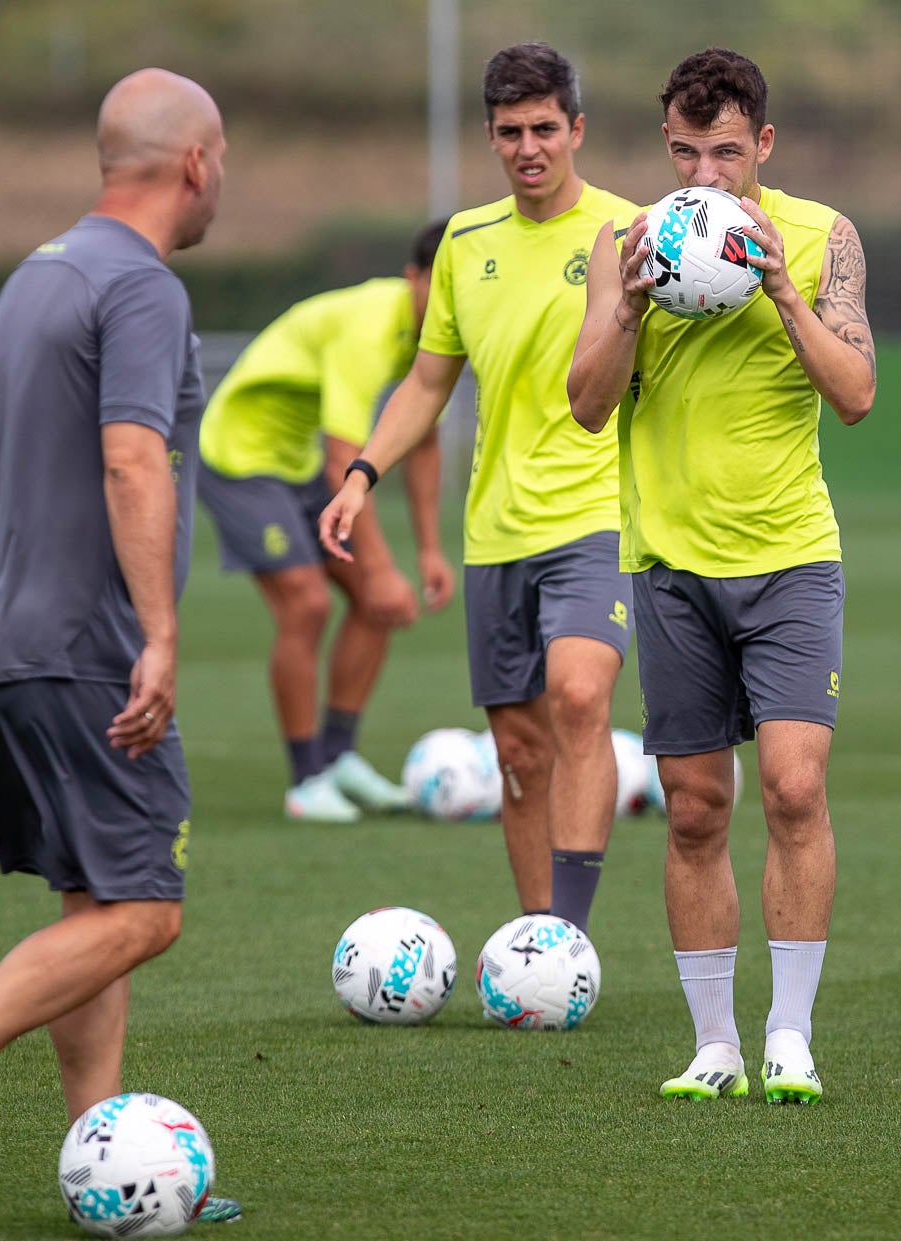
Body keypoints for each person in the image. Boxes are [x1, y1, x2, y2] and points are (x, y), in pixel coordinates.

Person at [0, 68, 243, 1230]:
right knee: (147, 911)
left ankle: (102, 1171)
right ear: (196, 163)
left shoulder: (34, 274)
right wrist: (161, 635)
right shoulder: (143, 286)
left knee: (96, 900)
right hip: (86, 644)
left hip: (4, 634)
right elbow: (133, 459)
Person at [567, 48, 876, 1105]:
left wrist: (780, 287)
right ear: (666, 146)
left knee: (792, 786)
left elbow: (856, 393)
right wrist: (628, 311)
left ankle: (788, 1034)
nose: (707, 173)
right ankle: (714, 1044)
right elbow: (586, 405)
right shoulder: (626, 245)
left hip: (789, 553)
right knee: (694, 807)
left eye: (728, 153)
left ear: (764, 146)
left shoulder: (822, 236)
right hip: (669, 564)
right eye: (688, 152)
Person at [319, 43, 640, 933]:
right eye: (511, 132)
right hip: (496, 530)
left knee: (580, 696)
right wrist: (359, 476)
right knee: (518, 750)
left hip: (598, 518)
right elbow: (427, 383)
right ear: (492, 138)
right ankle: (538, 932)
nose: (530, 146)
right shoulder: (464, 242)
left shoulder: (633, 230)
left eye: (545, 128)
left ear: (577, 129)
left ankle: (567, 938)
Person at [196, 223, 456, 822]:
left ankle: (339, 758)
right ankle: (305, 780)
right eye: (436, 285)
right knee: (308, 604)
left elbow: (420, 440)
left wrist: (429, 552)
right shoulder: (369, 327)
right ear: (411, 278)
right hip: (243, 458)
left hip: (301, 462)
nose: (446, 301)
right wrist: (385, 569)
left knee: (374, 605)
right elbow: (346, 459)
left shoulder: (434, 337)